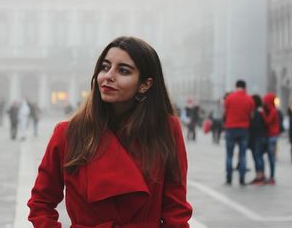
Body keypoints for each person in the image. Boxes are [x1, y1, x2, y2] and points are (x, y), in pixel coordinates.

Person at [28, 36, 192, 227]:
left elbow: (176, 209)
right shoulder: (69, 133)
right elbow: (41, 203)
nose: (108, 76)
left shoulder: (165, 129)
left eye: (123, 70)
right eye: (105, 67)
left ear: (145, 84)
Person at [223, 80, 254, 186]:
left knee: (229, 155)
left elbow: (225, 112)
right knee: (242, 155)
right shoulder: (249, 99)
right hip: (244, 129)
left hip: (230, 128)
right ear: (245, 87)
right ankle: (242, 178)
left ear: (236, 86)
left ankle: (229, 178)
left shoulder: (229, 98)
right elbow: (251, 114)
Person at [261, 92, 280, 185]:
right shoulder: (271, 109)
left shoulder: (273, 110)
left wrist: (262, 114)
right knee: (269, 157)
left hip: (272, 136)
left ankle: (272, 177)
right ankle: (269, 176)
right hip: (270, 135)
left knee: (270, 157)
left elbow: (267, 122)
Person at [248, 94, 267, 185]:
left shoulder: (256, 112)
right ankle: (261, 175)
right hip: (261, 136)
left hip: (256, 137)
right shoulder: (261, 111)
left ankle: (259, 177)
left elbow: (255, 125)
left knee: (257, 157)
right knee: (259, 157)